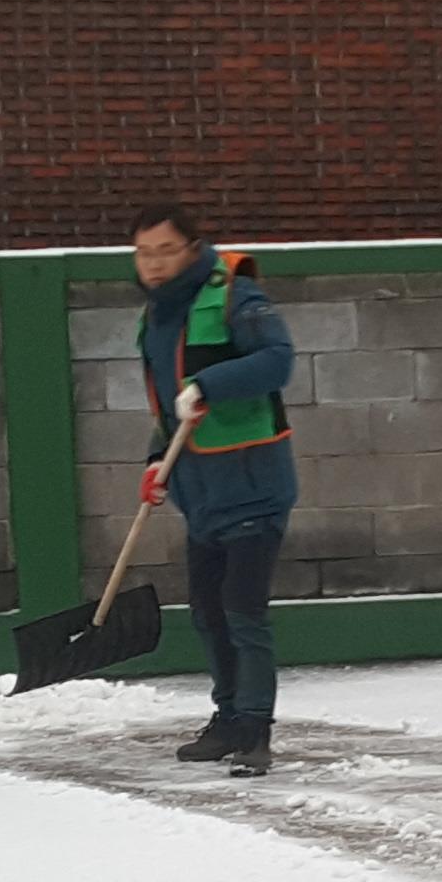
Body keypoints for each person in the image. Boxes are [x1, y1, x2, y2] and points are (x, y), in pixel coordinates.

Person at [128, 206, 297, 777]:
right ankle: (226, 720)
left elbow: (278, 361)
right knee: (208, 613)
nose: (154, 264)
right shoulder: (156, 317)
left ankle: (255, 729)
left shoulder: (236, 298)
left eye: (165, 251)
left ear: (193, 248)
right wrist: (158, 462)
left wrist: (209, 383)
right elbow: (169, 412)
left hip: (253, 487)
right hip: (200, 494)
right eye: (144, 253)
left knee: (243, 612)